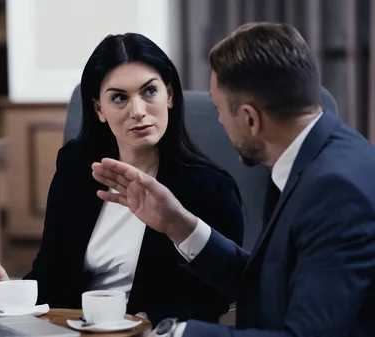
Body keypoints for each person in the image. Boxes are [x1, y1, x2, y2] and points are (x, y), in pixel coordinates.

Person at [91, 22, 375, 337]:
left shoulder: (335, 190)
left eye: (219, 108)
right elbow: (267, 282)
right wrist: (178, 224)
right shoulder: (324, 153)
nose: (219, 120)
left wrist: (175, 334)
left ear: (251, 119)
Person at [0, 32, 245, 326]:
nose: (138, 111)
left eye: (149, 92)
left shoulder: (211, 188)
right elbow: (50, 274)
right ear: (99, 109)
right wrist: (8, 291)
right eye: (119, 98)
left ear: (170, 95)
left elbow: (214, 296)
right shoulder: (76, 167)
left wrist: (147, 320)